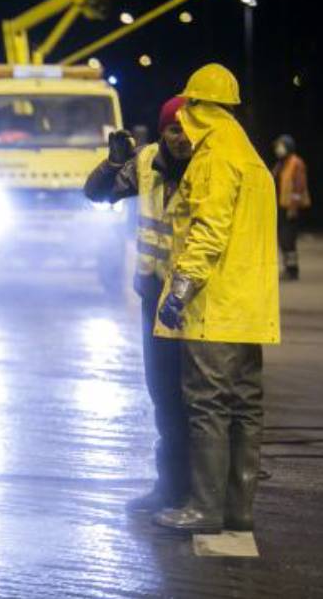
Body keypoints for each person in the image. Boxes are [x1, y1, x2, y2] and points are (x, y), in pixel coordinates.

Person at [153, 64, 280, 533]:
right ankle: (237, 509)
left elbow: (208, 230)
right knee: (246, 404)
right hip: (251, 307)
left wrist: (181, 288)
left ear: (197, 106)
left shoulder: (214, 157)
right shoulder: (249, 155)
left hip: (215, 306)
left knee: (207, 404)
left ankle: (204, 508)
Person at [84, 96, 193, 513]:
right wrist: (113, 163)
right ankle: (171, 487)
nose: (182, 138)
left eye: (188, 128)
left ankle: (200, 491)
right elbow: (96, 193)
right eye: (173, 129)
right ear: (162, 131)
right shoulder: (145, 162)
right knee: (163, 395)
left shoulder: (209, 165)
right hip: (155, 295)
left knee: (198, 401)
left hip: (198, 299)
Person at [272, 134, 311, 280]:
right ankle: (288, 267)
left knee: (288, 239)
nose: (278, 149)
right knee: (283, 239)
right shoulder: (281, 164)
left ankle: (293, 270)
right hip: (282, 206)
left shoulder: (296, 163)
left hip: (290, 207)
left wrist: (293, 207)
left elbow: (299, 187)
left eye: (281, 146)